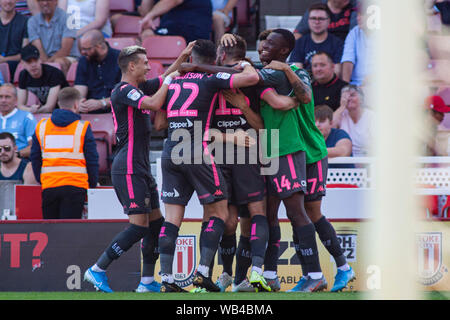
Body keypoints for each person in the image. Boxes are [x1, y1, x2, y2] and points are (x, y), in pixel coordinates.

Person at [152, 39, 260, 293]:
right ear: (215, 59)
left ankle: (166, 278)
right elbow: (252, 78)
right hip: (195, 150)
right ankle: (202, 272)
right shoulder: (211, 79)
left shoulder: (173, 80)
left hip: (170, 150)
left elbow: (158, 124)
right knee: (219, 213)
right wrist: (242, 63)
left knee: (172, 219)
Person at [256, 31, 356, 292]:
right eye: (262, 44)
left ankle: (324, 272)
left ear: (283, 51)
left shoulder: (296, 74)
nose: (263, 48)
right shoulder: (261, 75)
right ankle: (321, 272)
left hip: (308, 150)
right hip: (287, 149)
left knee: (305, 212)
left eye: (269, 45)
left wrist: (287, 70)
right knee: (283, 212)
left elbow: (307, 97)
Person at [84, 45, 179, 293]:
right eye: (146, 63)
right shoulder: (124, 90)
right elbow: (155, 102)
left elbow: (170, 73)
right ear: (132, 66)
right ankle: (97, 269)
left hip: (141, 167)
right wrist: (169, 81)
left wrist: (186, 56)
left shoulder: (138, 87)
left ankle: (147, 282)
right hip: (127, 167)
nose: (150, 67)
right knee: (139, 226)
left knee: (156, 225)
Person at [30, 87, 99, 219]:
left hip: (49, 186)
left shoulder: (42, 126)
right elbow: (92, 159)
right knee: (70, 233)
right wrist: (92, 184)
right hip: (76, 186)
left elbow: (35, 157)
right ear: (76, 104)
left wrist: (42, 179)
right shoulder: (82, 127)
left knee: (51, 233)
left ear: (59, 103)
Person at [74, 30, 121, 114]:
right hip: (90, 109)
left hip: (117, 110)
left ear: (99, 46)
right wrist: (80, 102)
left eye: (86, 49)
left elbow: (126, 93)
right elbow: (80, 87)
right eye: (82, 49)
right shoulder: (83, 61)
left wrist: (102, 103)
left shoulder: (121, 59)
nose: (82, 52)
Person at [27, 0, 79, 75]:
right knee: (26, 63)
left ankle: (63, 86)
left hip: (68, 57)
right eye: (41, 1)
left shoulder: (69, 19)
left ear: (56, 1)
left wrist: (48, 63)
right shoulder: (32, 21)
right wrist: (45, 62)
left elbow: (65, 50)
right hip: (44, 59)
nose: (45, 3)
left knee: (60, 62)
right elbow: (38, 49)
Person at [288, 3, 344, 73]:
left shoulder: (338, 44)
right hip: (305, 82)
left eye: (321, 19)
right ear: (308, 21)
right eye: (313, 18)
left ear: (328, 21)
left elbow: (337, 72)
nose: (317, 22)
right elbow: (294, 68)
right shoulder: (299, 43)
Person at [17, 44, 69, 114]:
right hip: (46, 112)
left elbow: (50, 107)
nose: (33, 65)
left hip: (64, 110)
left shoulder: (54, 73)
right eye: (29, 62)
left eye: (35, 60)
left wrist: (34, 110)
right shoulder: (23, 75)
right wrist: (30, 110)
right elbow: (20, 105)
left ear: (40, 60)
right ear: (22, 63)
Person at [140, 0, 212, 43]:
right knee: (147, 34)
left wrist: (150, 15)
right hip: (174, 27)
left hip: (191, 29)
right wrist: (149, 15)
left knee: (148, 36)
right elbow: (145, 13)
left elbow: (173, 0)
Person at [333, 84, 374, 157]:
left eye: (352, 95)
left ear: (361, 99)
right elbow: (330, 126)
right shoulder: (341, 114)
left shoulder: (372, 116)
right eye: (345, 96)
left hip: (368, 158)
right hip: (345, 159)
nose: (348, 99)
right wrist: (342, 107)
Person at [0, 83, 36, 158]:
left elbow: (34, 147)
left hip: (19, 161)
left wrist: (15, 155)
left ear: (16, 99)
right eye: (0, 97)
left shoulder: (26, 117)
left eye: (7, 97)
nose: (3, 100)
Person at [340, 5, 374, 86]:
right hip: (356, 85)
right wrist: (346, 87)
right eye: (358, 14)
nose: (358, 18)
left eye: (362, 15)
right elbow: (348, 59)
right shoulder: (354, 32)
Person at [293, 0, 358, 41]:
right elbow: (298, 34)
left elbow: (356, 35)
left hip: (345, 49)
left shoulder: (355, 6)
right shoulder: (317, 9)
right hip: (319, 49)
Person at [314, 104, 354, 168]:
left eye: (322, 121)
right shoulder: (310, 137)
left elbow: (344, 152)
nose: (317, 125)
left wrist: (314, 151)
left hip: (346, 176)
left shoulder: (340, 134)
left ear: (331, 123)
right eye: (314, 121)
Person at [0, 0, 29, 80]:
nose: (8, 1)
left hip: (15, 66)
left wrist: (4, 60)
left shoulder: (25, 22)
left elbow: (25, 53)